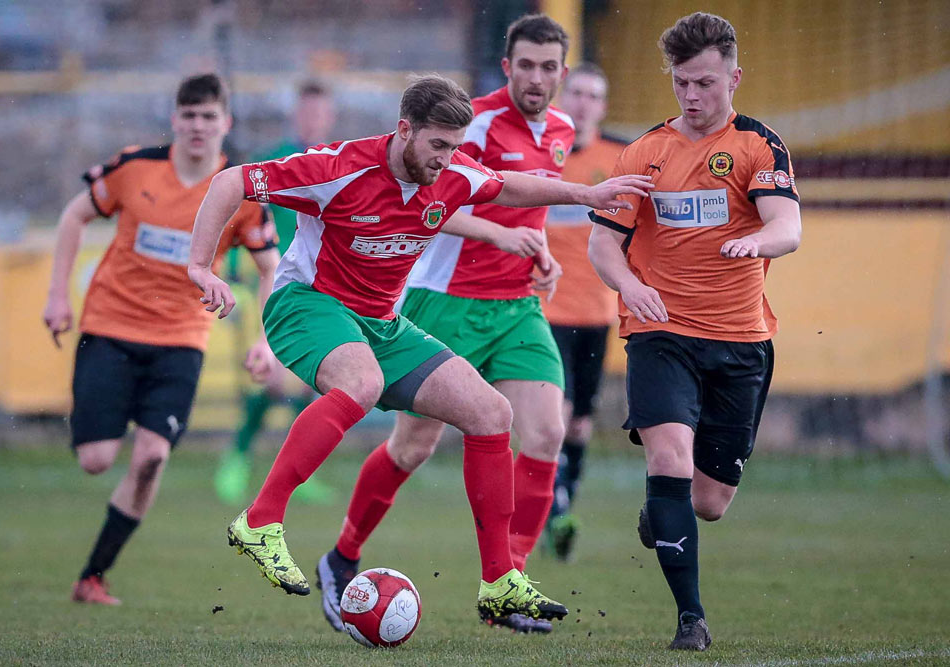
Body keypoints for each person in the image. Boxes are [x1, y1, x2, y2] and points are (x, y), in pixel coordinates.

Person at [188, 74, 653, 623]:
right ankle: (261, 521)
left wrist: (585, 193)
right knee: (362, 384)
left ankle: (500, 581)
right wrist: (200, 266)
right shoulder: (338, 167)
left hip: (381, 323)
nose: (446, 159)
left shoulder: (451, 171)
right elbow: (230, 182)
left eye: (455, 147)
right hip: (308, 305)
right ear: (404, 129)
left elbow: (507, 185)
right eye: (437, 145)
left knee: (490, 413)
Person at [316, 13, 579, 635]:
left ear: (561, 73)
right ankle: (343, 552)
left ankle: (506, 587)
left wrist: (543, 258)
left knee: (545, 435)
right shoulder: (475, 124)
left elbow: (531, 212)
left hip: (517, 308)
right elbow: (435, 202)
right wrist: (499, 232)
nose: (537, 79)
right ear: (506, 67)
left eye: (549, 68)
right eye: (526, 65)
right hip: (446, 301)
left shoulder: (562, 131)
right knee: (413, 446)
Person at [586, 12, 802, 651]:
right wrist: (629, 285)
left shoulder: (759, 145)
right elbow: (604, 244)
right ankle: (691, 619)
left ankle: (665, 509)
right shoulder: (646, 152)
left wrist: (755, 241)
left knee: (708, 502)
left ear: (734, 77)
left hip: (740, 341)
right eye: (682, 83)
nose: (692, 96)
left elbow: (787, 229)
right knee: (669, 457)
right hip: (661, 331)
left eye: (705, 83)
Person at [42, 73, 280, 605]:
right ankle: (104, 418)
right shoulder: (135, 166)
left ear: (226, 123)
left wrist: (266, 341)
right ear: (175, 119)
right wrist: (58, 296)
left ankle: (93, 576)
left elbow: (272, 268)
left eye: (208, 116)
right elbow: (73, 216)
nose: (198, 126)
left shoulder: (240, 189)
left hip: (182, 339)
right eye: (189, 115)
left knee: (152, 458)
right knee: (97, 459)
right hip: (110, 327)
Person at [215, 79, 338, 506]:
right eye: (307, 112)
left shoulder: (339, 163)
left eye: (319, 113)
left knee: (306, 383)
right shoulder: (273, 161)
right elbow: (240, 214)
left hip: (319, 287)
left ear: (329, 117)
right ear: (296, 114)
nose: (312, 119)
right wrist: (233, 269)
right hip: (272, 283)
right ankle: (238, 459)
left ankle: (294, 471)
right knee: (271, 379)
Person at [540, 62, 627, 562]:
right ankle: (556, 508)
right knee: (557, 414)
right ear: (561, 96)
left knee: (579, 426)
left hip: (599, 314)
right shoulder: (542, 154)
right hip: (545, 311)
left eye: (593, 95)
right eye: (576, 92)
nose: (583, 102)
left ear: (603, 106)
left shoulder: (618, 157)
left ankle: (564, 501)